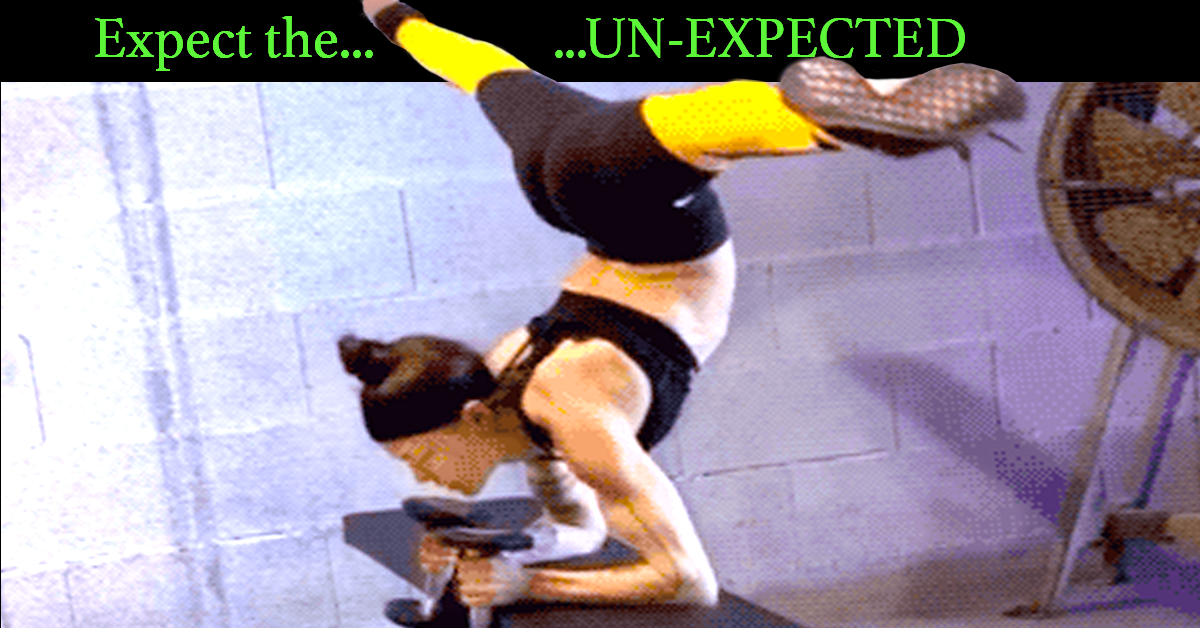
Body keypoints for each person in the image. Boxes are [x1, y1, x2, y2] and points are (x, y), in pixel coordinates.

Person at [344, 1, 1025, 623]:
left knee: (645, 149)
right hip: (568, 188)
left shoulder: (573, 411)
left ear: (470, 417)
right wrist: (494, 558)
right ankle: (402, 20)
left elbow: (685, 580)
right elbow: (579, 530)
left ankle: (852, 106)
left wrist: (530, 585)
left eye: (421, 455)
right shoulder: (509, 397)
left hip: (619, 207)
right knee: (488, 74)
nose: (422, 477)